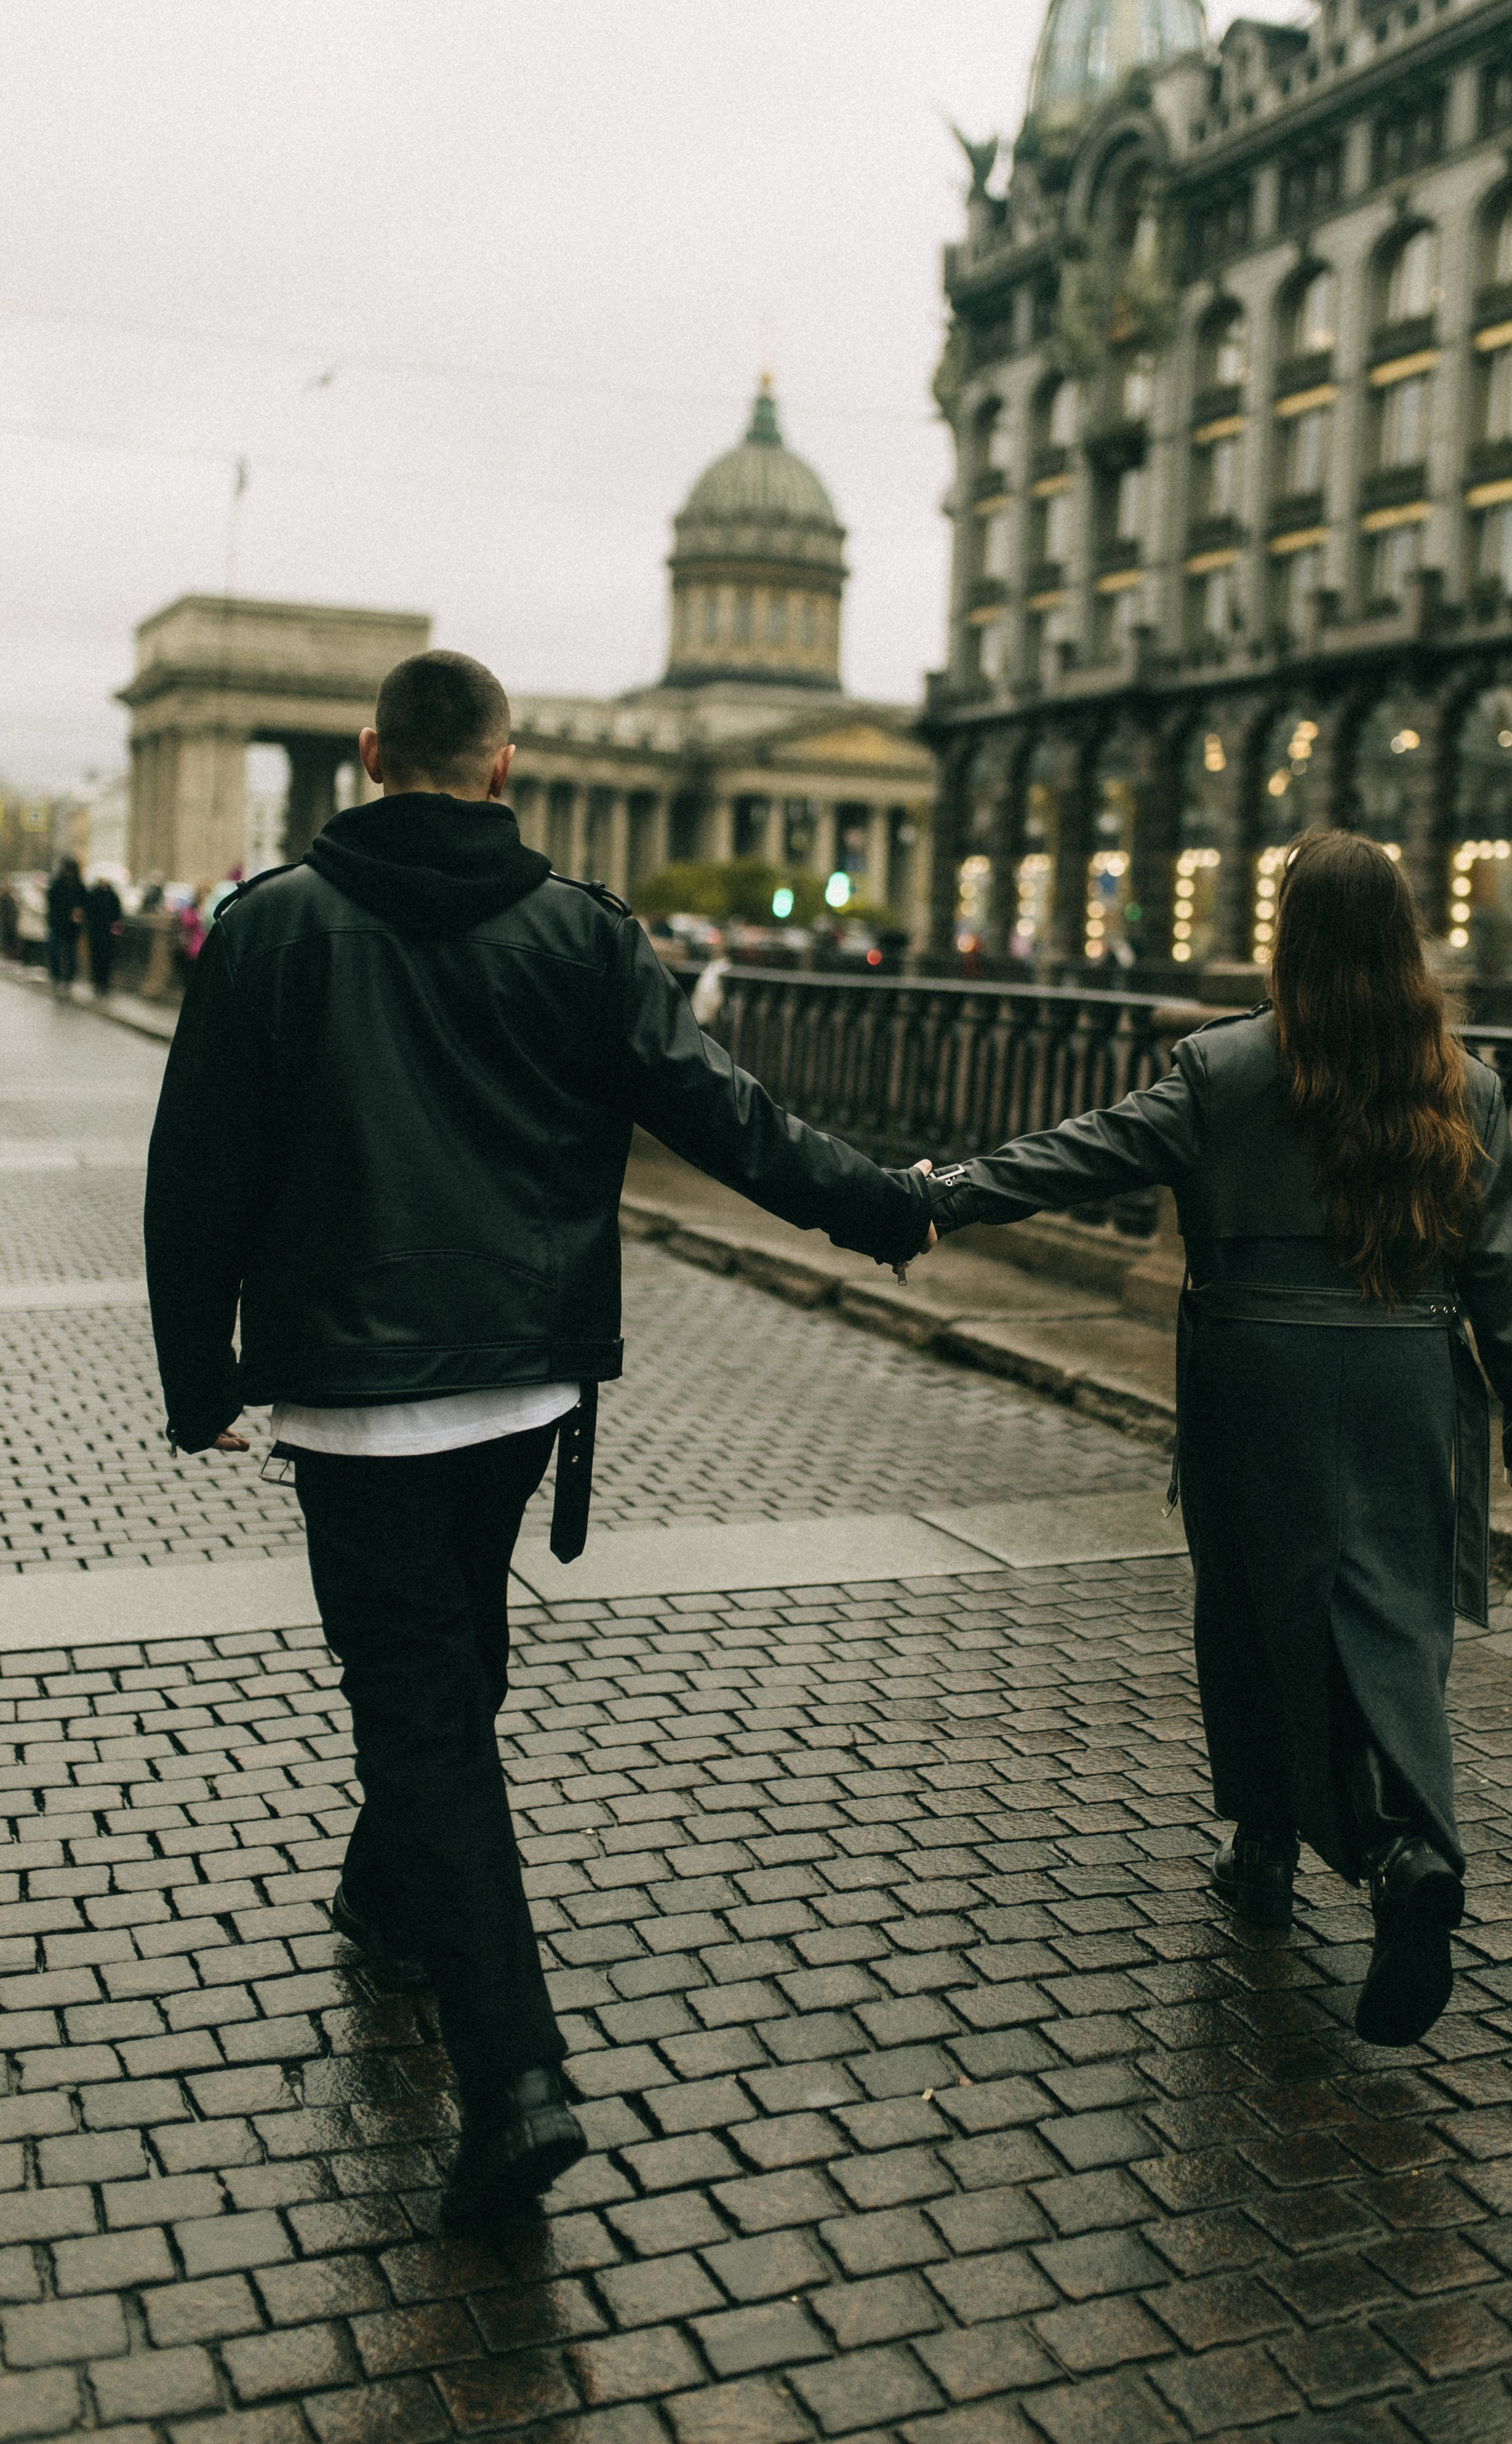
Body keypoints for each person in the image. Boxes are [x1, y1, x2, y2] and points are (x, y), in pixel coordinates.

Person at [144, 650, 931, 2226]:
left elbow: (199, 1170)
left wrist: (200, 1375)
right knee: (449, 1658)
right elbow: (724, 1112)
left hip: (358, 1392)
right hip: (520, 1380)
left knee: (422, 1702)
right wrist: (874, 1205)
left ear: (368, 754)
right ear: (503, 767)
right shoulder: (583, 933)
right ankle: (387, 1889)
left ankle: (512, 2075)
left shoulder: (270, 930)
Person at [917, 832, 1512, 2047]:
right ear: (1406, 943)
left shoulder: (1223, 1068)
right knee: (1392, 1622)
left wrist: (940, 1194)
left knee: (1260, 1616)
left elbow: (1084, 1154)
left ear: (1288, 941)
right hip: (1408, 1381)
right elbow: (1501, 1273)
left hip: (1254, 1374)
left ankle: (1266, 1852)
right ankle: (1405, 1841)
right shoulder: (1467, 1087)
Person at [43, 856, 86, 993]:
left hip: (71, 927)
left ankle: (68, 978)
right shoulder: (57, 884)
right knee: (54, 952)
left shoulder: (79, 887)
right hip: (57, 924)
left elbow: (84, 904)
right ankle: (56, 976)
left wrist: (78, 912)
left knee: (70, 954)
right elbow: (51, 901)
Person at [83, 876, 122, 995]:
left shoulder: (111, 896)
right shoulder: (96, 895)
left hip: (105, 933)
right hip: (98, 932)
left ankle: (103, 982)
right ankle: (98, 982)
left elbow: (117, 915)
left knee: (105, 959)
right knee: (97, 958)